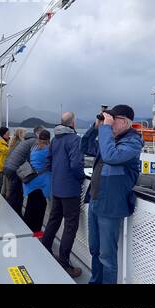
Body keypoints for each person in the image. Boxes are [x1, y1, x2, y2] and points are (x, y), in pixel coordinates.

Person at [81, 104, 143, 284]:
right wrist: (96, 127)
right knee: (95, 249)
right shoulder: (109, 140)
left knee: (107, 256)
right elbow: (84, 146)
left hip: (111, 206)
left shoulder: (132, 143)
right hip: (95, 200)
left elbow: (111, 157)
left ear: (124, 122)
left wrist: (106, 129)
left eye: (112, 120)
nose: (109, 124)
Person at [42, 112, 86, 277]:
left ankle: (45, 246)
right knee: (70, 225)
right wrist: (81, 177)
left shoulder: (54, 140)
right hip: (70, 189)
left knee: (54, 219)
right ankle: (64, 262)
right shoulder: (75, 139)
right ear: (73, 123)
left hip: (57, 187)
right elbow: (76, 164)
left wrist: (59, 174)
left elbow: (48, 162)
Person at [2, 127, 39, 216]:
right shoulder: (33, 141)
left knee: (15, 192)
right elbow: (32, 157)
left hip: (8, 167)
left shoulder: (24, 142)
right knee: (16, 194)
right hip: (14, 169)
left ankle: (14, 213)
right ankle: (14, 215)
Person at [22, 130, 52, 234]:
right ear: (48, 139)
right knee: (40, 207)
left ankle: (26, 230)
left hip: (31, 181)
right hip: (41, 183)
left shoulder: (34, 148)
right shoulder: (47, 150)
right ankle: (37, 232)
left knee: (30, 206)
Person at [0, 127, 11, 191]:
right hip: (1, 166)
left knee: (3, 183)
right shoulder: (0, 143)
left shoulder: (5, 142)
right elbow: (7, 151)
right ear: (4, 134)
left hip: (4, 166)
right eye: (8, 133)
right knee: (0, 183)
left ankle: (0, 195)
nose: (9, 134)